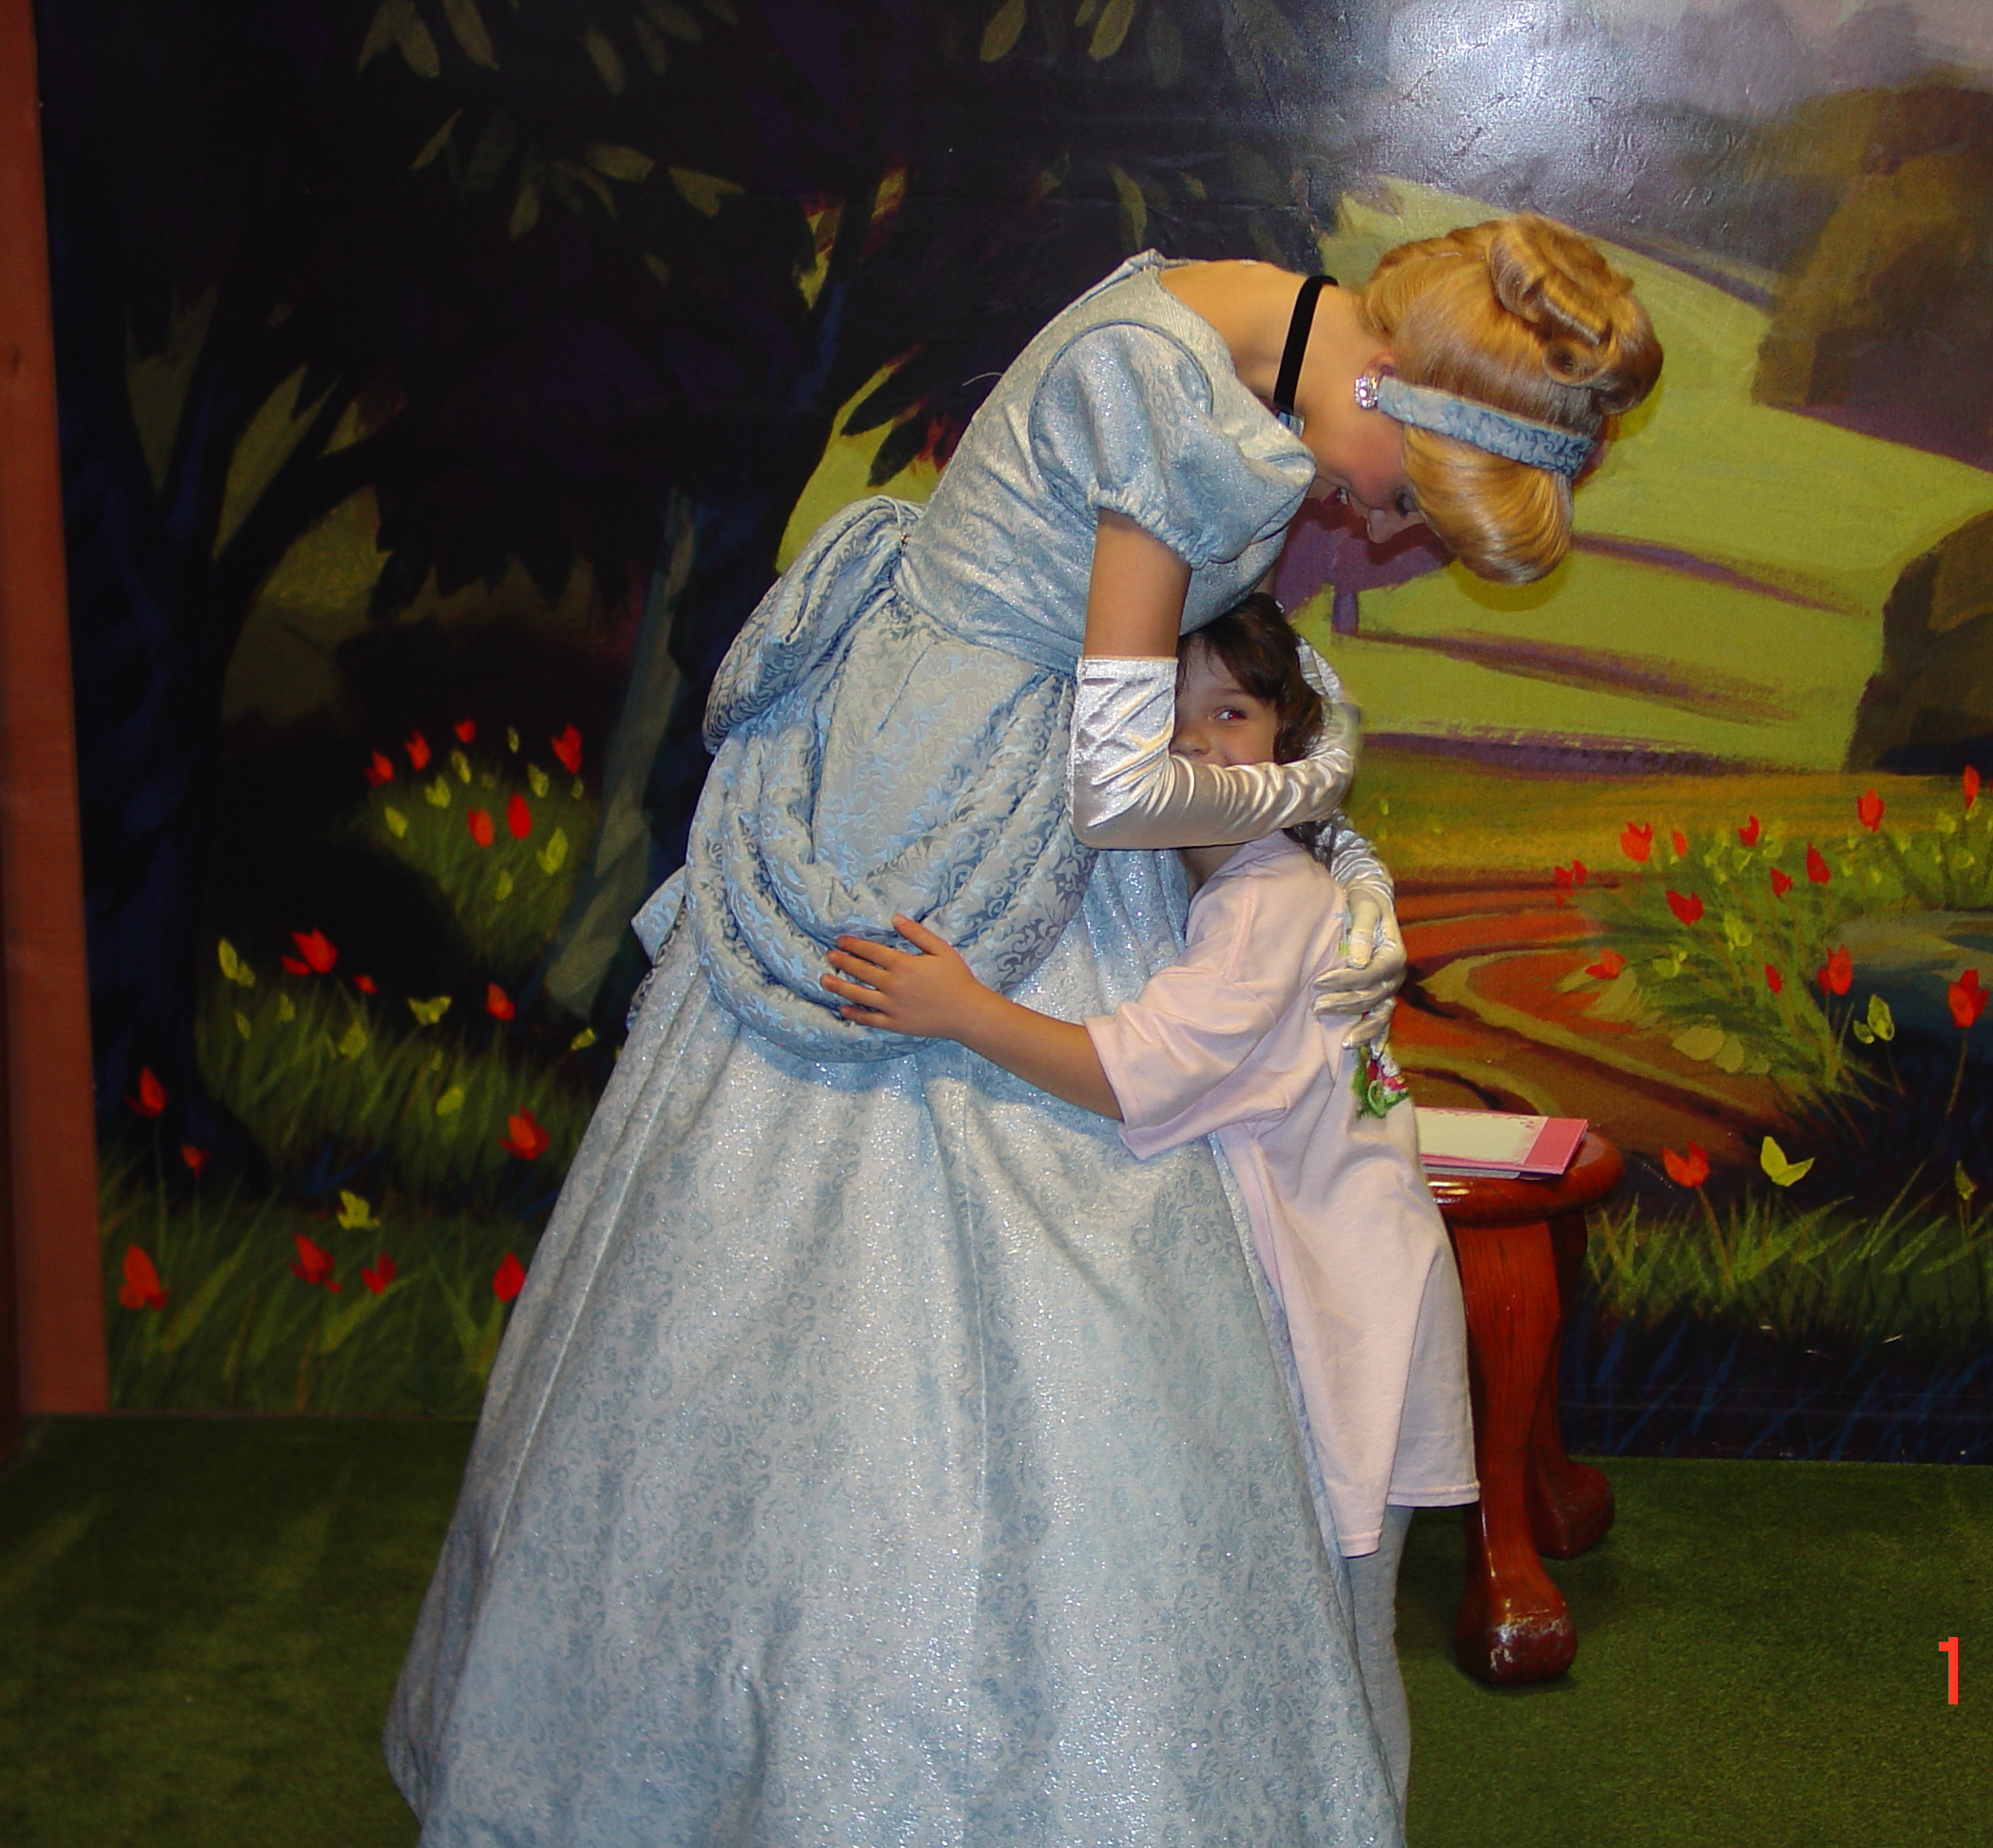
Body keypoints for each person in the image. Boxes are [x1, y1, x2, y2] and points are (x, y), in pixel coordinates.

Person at [385, 215, 1659, 1846]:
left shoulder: (1217, 311)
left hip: (971, 764)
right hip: (964, 817)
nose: (1374, 519)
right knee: (905, 1238)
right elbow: (1117, 786)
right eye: (1402, 489)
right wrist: (1309, 786)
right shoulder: (1183, 417)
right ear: (1386, 376)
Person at [819, 596, 1479, 1805]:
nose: (1197, 744)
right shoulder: (1249, 886)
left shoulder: (1268, 898)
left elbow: (1139, 1071)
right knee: (1332, 1625)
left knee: (1348, 1634)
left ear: (1287, 736)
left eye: (1231, 713)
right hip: (1356, 1287)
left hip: (1356, 1319)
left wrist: (963, 1012)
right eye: (1168, 718)